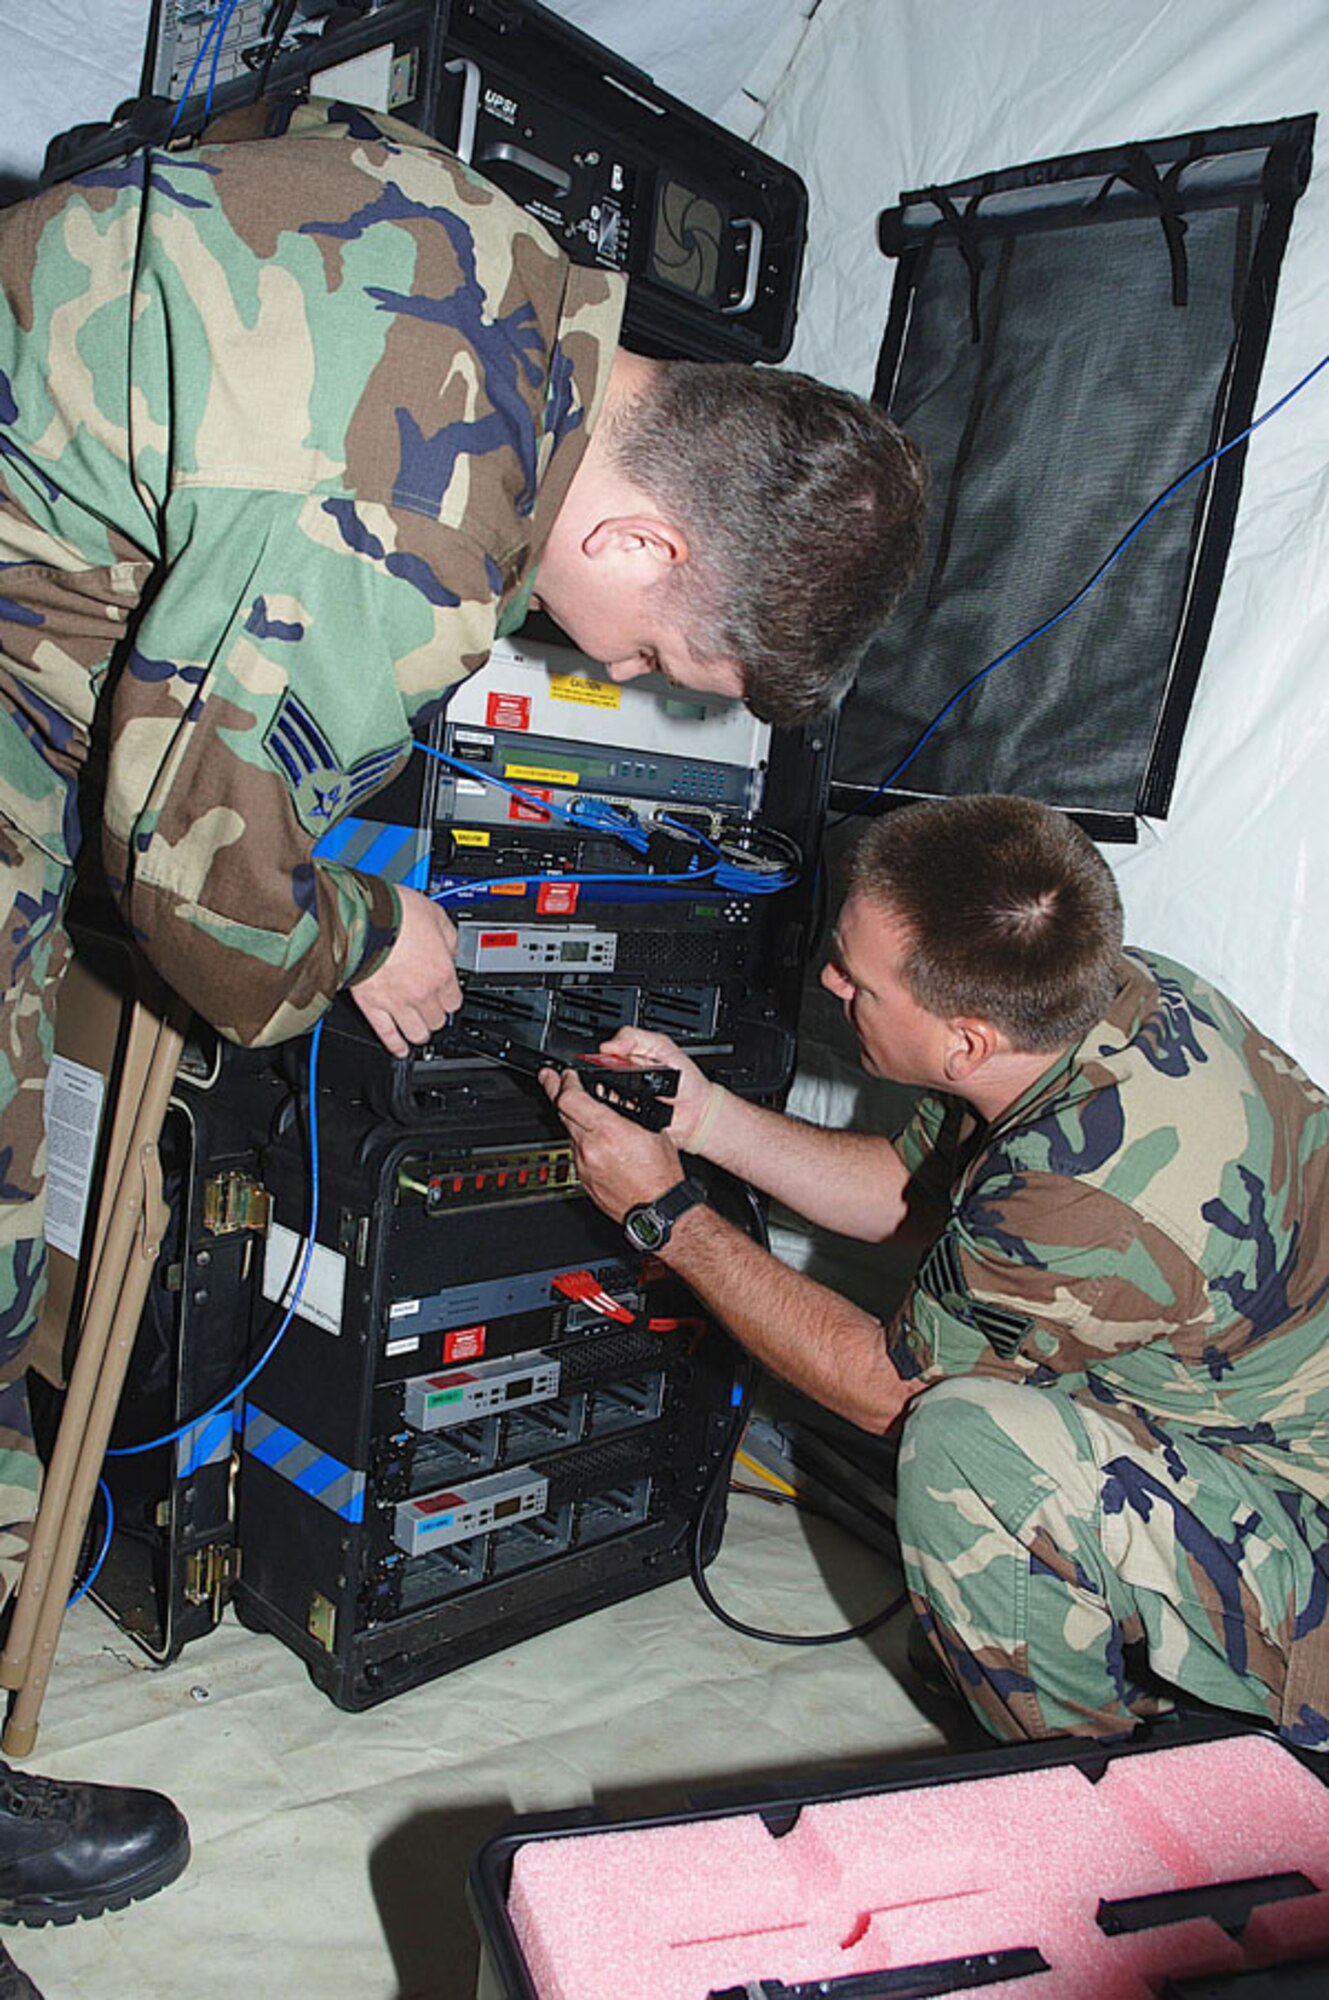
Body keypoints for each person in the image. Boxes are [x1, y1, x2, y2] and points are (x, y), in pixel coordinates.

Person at [0, 88, 925, 1970]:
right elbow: (207, 881)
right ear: (660, 545)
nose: (607, 672)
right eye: (663, 656)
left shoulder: (498, 260)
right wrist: (370, 928)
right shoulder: (426, 517)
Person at [543, 792, 1329, 1753]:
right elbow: (904, 1195)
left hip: (1307, 1538)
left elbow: (885, 1390)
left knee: (966, 1449)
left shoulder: (1083, 1193)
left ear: (965, 1041)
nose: (831, 981)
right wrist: (702, 1119)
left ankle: (1086, 1795)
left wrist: (666, 1216)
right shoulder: (1102, 1002)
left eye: (860, 984)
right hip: (1237, 1424)